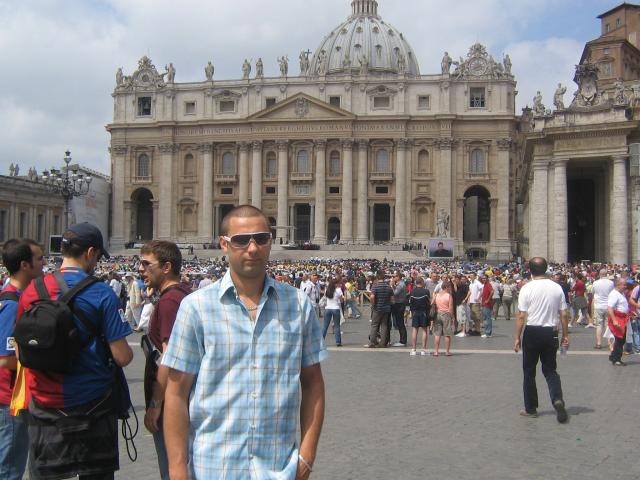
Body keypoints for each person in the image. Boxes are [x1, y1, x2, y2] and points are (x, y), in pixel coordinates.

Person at [162, 205, 326, 480]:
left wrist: (307, 457)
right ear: (223, 244)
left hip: (278, 471)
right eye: (241, 240)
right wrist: (178, 471)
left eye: (261, 238)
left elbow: (313, 385)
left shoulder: (298, 305)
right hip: (213, 470)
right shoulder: (195, 308)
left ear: (271, 241)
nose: (252, 248)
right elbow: (176, 394)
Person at [17, 222, 134, 479]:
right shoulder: (101, 293)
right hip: (93, 403)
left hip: (44, 402)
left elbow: (20, 347)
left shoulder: (32, 290)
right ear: (90, 252)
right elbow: (122, 356)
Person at [139, 240, 192, 479]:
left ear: (167, 267)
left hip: (172, 402)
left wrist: (155, 404)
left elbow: (169, 358)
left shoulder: (170, 301)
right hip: (183, 398)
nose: (140, 269)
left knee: (173, 468)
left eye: (146, 264)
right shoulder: (185, 294)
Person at [0, 239, 44, 479]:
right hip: (10, 400)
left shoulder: (21, 298)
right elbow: (4, 358)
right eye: (39, 259)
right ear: (25, 265)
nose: (43, 263)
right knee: (9, 470)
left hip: (15, 397)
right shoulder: (11, 303)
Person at [514, 257, 569, 423]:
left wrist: (517, 337)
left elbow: (521, 316)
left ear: (530, 270)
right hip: (551, 332)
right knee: (550, 370)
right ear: (545, 269)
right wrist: (565, 335)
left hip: (532, 331)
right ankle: (557, 399)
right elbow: (564, 314)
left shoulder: (527, 288)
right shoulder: (557, 287)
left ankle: (531, 408)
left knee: (529, 371)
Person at [367, 271, 394, 348]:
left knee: (374, 325)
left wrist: (373, 304)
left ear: (377, 277)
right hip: (386, 309)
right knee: (384, 325)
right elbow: (392, 300)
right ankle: (383, 343)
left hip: (377, 308)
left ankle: (372, 342)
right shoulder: (388, 287)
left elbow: (372, 297)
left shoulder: (375, 286)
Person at [607, 277, 630, 366]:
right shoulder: (614, 294)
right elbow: (610, 308)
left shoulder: (621, 293)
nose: (625, 286)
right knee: (619, 339)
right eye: (624, 285)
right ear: (618, 285)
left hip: (623, 318)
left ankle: (614, 356)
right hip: (618, 318)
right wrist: (614, 320)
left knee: (622, 339)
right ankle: (616, 359)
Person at [591, 269, 614, 349]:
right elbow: (613, 293)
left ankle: (599, 343)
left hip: (598, 305)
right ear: (606, 274)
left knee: (599, 325)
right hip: (608, 305)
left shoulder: (595, 283)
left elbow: (593, 292)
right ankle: (609, 343)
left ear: (600, 274)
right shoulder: (611, 283)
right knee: (608, 325)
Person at [409, 277, 430, 355]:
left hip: (415, 312)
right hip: (424, 312)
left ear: (416, 283)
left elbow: (410, 302)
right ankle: (423, 350)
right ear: (422, 282)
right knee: (424, 330)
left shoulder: (412, 291)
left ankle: (414, 349)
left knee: (415, 330)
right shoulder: (426, 291)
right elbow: (428, 302)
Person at [432, 280, 455, 356]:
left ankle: (436, 351)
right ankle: (447, 351)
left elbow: (432, 303)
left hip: (438, 314)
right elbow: (450, 308)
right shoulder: (449, 296)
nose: (450, 289)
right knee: (447, 334)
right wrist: (452, 317)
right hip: (446, 315)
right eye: (449, 287)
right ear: (447, 287)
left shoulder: (437, 295)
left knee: (437, 334)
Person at [322, 278, 343, 347]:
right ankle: (338, 342)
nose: (339, 284)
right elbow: (341, 300)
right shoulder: (338, 290)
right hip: (336, 308)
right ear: (335, 284)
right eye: (338, 283)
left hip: (328, 308)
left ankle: (321, 341)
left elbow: (325, 298)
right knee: (337, 326)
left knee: (325, 326)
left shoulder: (327, 290)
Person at [390, 271, 408, 347]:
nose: (393, 278)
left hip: (399, 304)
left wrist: (392, 286)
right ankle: (402, 340)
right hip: (399, 303)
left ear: (398, 277)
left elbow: (395, 293)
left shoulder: (401, 284)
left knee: (400, 322)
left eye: (394, 276)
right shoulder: (400, 284)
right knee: (399, 322)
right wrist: (394, 286)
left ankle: (403, 341)